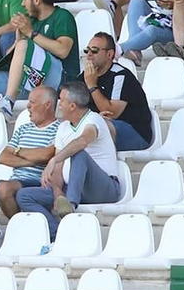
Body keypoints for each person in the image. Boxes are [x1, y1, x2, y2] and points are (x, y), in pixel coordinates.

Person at [14, 82, 121, 236]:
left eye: (61, 100)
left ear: (72, 106)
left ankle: (70, 206)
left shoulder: (94, 119)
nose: (59, 105)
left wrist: (54, 159)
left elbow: (83, 141)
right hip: (72, 188)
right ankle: (56, 234)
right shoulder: (63, 127)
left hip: (103, 188)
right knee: (24, 196)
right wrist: (58, 192)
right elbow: (59, 169)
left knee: (78, 153)